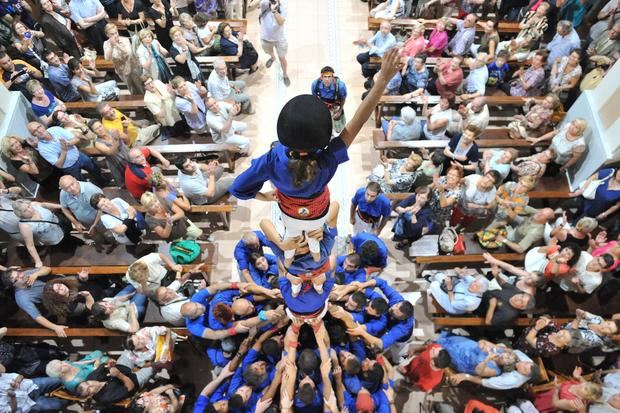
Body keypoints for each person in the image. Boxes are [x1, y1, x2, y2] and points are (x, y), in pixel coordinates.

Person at [27, 121, 105, 187]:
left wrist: (68, 144)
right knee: (81, 183)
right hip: (69, 167)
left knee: (95, 170)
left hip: (79, 156)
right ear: (34, 135)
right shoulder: (42, 148)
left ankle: (104, 183)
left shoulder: (55, 129)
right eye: (35, 131)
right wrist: (63, 150)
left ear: (42, 125)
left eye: (39, 127)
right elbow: (58, 165)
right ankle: (92, 193)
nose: (39, 131)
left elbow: (76, 139)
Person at [1, 266, 71, 337]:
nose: (21, 277)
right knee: (76, 306)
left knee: (75, 280)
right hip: (52, 302)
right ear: (13, 285)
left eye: (19, 274)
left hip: (53, 286)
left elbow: (47, 269)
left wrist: (36, 274)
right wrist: (55, 327)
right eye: (16, 279)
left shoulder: (26, 274)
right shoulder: (22, 298)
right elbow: (37, 317)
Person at [449, 350, 540, 390]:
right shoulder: (528, 361)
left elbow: (484, 382)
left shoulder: (511, 380)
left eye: (524, 369)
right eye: (526, 363)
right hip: (505, 357)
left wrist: (466, 377)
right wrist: (491, 346)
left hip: (494, 373)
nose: (522, 364)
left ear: (524, 375)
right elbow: (512, 351)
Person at [533, 367, 602, 412]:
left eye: (585, 388)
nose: (583, 384)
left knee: (533, 404)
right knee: (536, 395)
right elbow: (584, 382)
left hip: (549, 400)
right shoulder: (583, 387)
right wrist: (579, 376)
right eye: (587, 384)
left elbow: (555, 404)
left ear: (585, 397)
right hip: (549, 392)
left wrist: (557, 390)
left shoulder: (573, 402)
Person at [103, 24, 144, 95]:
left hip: (133, 66)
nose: (115, 35)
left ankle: (145, 100)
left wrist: (116, 44)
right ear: (107, 35)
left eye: (116, 32)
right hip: (121, 69)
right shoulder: (106, 44)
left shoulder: (125, 39)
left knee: (139, 85)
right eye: (112, 34)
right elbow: (107, 58)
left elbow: (128, 52)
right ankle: (137, 102)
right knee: (130, 87)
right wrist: (112, 47)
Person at [97, 102, 161, 148]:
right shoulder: (109, 128)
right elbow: (127, 142)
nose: (111, 113)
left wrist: (141, 126)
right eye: (107, 112)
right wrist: (125, 128)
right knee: (156, 127)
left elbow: (127, 120)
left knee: (146, 121)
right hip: (134, 141)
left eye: (110, 109)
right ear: (102, 115)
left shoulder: (114, 111)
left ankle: (148, 129)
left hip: (135, 130)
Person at [89, 119, 130, 188]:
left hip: (127, 156)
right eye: (96, 129)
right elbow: (110, 152)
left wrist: (125, 128)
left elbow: (128, 140)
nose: (100, 129)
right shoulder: (98, 143)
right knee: (125, 183)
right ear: (94, 132)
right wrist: (115, 140)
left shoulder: (113, 131)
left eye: (100, 126)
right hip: (116, 162)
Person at [0, 373, 68, 411]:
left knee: (60, 379)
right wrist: (12, 398)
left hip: (32, 386)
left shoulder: (1, 378)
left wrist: (17, 382)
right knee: (58, 404)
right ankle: (67, 399)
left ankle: (68, 389)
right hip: (28, 405)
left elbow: (19, 376)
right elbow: (12, 410)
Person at [259, 0, 289, 86]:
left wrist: (274, 11)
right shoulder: (264, 5)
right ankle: (272, 57)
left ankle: (285, 74)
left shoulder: (282, 8)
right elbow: (258, 3)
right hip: (266, 38)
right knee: (269, 51)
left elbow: (281, 22)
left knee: (282, 58)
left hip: (279, 39)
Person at [311, 66, 348, 134]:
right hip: (322, 107)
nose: (327, 79)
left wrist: (339, 111)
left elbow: (343, 98)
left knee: (339, 130)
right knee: (323, 128)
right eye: (325, 77)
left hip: (335, 107)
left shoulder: (340, 86)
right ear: (321, 77)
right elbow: (314, 98)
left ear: (332, 77)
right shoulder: (315, 84)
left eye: (329, 77)